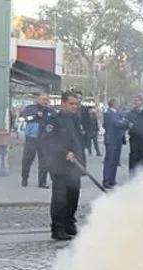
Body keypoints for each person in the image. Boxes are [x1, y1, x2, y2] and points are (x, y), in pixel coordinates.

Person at [41, 91, 86, 241]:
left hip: (75, 166)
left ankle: (69, 223)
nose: (74, 107)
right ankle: (57, 227)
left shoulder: (75, 119)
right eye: (71, 104)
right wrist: (64, 152)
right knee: (60, 198)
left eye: (76, 104)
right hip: (59, 165)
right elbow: (47, 142)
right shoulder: (53, 120)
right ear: (63, 103)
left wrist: (80, 158)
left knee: (73, 196)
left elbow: (79, 142)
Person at [20, 93, 54, 188]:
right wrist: (34, 116)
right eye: (43, 99)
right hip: (31, 138)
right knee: (27, 160)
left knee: (44, 162)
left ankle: (42, 182)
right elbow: (22, 118)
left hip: (44, 140)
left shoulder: (50, 111)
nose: (45, 102)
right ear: (38, 100)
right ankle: (24, 178)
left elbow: (54, 122)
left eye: (46, 100)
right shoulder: (30, 108)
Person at [102, 98, 129, 189]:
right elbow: (117, 124)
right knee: (109, 161)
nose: (119, 104)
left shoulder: (117, 113)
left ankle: (112, 180)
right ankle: (106, 180)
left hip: (118, 140)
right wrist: (124, 123)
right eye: (118, 103)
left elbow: (121, 122)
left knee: (115, 161)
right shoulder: (109, 114)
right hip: (111, 141)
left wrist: (123, 122)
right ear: (114, 104)